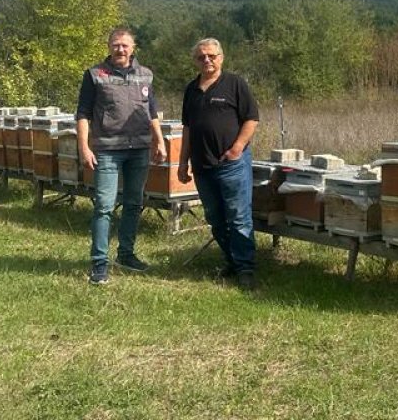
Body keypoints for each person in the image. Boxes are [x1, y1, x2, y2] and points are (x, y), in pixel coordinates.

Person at [76, 27, 166, 285]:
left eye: (125, 45)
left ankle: (126, 254)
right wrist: (84, 146)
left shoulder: (145, 75)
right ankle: (99, 263)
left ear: (133, 48)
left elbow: (152, 112)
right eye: (115, 45)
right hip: (107, 150)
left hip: (139, 149)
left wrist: (159, 142)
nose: (120, 49)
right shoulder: (95, 75)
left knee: (133, 204)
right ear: (108, 46)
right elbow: (83, 113)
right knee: (104, 206)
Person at [179, 38, 260, 289]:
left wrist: (236, 149)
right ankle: (232, 261)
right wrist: (182, 163)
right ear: (196, 60)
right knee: (215, 218)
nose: (207, 60)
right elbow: (187, 129)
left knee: (238, 217)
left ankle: (245, 267)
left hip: (231, 163)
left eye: (211, 56)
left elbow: (252, 119)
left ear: (221, 57)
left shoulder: (235, 84)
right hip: (202, 166)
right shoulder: (191, 89)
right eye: (202, 57)